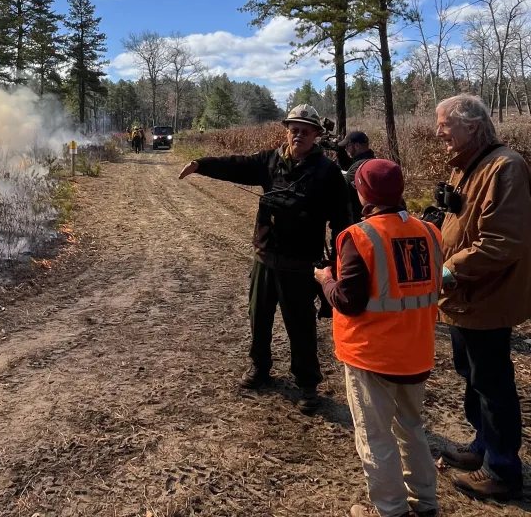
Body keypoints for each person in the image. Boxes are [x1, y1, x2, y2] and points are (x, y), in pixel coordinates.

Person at [178, 104, 352, 415]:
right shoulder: (270, 160)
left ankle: (308, 384)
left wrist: (338, 263)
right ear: (287, 130)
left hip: (300, 264)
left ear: (316, 134)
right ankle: (260, 368)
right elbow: (236, 165)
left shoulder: (327, 173)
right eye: (293, 128)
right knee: (259, 318)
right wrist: (199, 164)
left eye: (305, 130)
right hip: (264, 258)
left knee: (299, 326)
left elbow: (342, 221)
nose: (298, 134)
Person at [314, 159, 442, 517]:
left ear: (363, 192)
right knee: (412, 429)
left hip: (372, 356)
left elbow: (347, 302)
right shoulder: (430, 232)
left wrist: (325, 279)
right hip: (416, 351)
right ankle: (425, 502)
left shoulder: (358, 236)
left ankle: (390, 510)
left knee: (376, 437)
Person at [435, 94, 531, 501]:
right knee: (472, 375)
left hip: (485, 296)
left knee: (492, 383)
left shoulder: (505, 167)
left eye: (444, 124)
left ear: (470, 125)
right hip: (464, 298)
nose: (438, 132)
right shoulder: (469, 167)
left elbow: (503, 241)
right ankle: (481, 448)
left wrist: (451, 270)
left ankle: (503, 470)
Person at [337, 131, 376, 223]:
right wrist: (340, 152)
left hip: (360, 217)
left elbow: (343, 191)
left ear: (357, 146)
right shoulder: (372, 160)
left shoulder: (359, 166)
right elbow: (348, 166)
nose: (346, 149)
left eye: (347, 146)